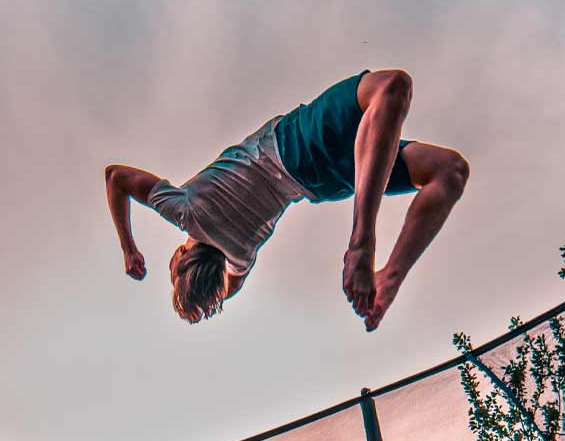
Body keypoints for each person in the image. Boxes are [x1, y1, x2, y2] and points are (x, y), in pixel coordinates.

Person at [104, 69, 468, 331]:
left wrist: (195, 302)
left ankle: (390, 277)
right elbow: (116, 177)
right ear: (181, 256)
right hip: (298, 142)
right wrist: (128, 249)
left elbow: (220, 293)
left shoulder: (239, 261)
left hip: (327, 182)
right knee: (393, 86)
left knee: (448, 171)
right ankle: (361, 243)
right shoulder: (185, 211)